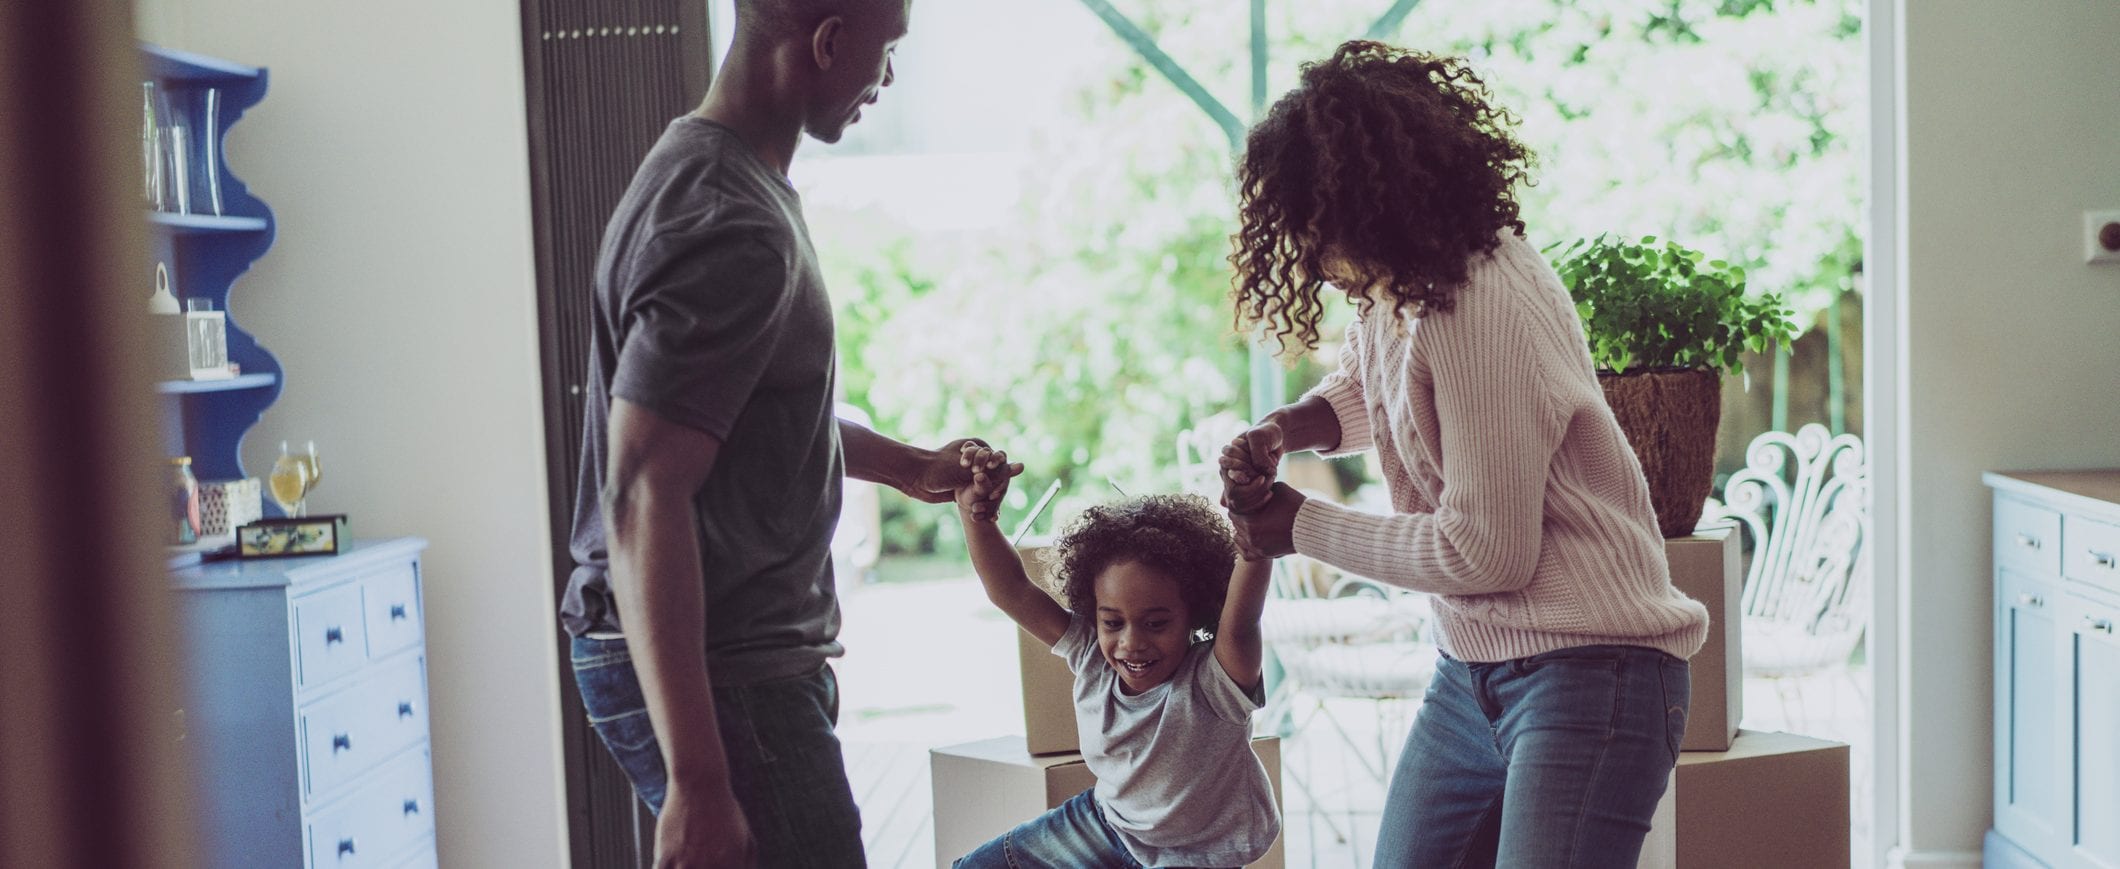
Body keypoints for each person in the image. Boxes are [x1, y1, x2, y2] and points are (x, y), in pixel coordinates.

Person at [1218, 41, 1710, 868]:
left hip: (1593, 671)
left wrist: (1301, 526)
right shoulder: (1398, 284)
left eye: (1319, 231)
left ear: (1371, 206)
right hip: (1472, 674)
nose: (1313, 260)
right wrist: (1288, 427)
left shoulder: (1474, 300)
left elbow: (1486, 550)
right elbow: (1385, 389)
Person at [557, 1, 1005, 866]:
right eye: (887, 52)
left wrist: (915, 468)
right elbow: (642, 492)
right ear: (829, 43)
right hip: (729, 677)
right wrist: (696, 781)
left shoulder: (719, 175)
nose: (887, 79)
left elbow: (744, 420)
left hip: (734, 668)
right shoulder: (731, 220)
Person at [947, 444, 1282, 869]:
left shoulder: (1218, 680)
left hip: (1199, 851)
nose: (1131, 643)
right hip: (1109, 823)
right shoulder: (1090, 653)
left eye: (1156, 623)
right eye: (1112, 622)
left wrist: (1253, 518)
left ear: (1193, 613)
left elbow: (1243, 614)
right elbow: (1011, 590)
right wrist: (978, 518)